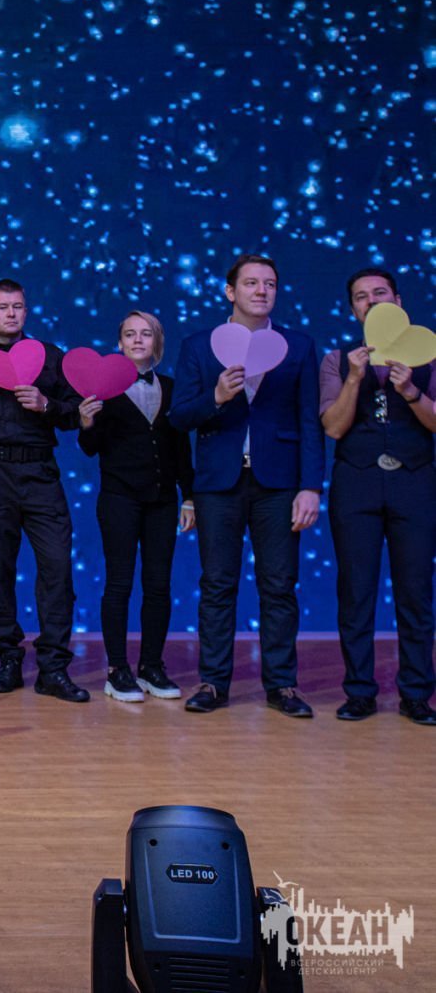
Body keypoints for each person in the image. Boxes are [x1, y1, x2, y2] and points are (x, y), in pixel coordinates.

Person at [170, 253, 322, 717]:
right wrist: (216, 396)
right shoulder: (199, 346)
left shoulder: (298, 346)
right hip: (219, 482)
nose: (262, 291)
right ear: (230, 291)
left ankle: (283, 685)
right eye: (252, 283)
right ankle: (213, 682)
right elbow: (179, 417)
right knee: (218, 583)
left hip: (279, 483)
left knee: (279, 585)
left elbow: (309, 421)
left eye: (270, 283)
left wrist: (311, 486)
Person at [0, 279, 88, 702]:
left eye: (17, 306)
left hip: (39, 472)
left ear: (26, 311)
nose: (11, 314)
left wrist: (46, 405)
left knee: (57, 568)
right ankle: (8, 659)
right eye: (3, 307)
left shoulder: (50, 357)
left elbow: (77, 413)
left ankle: (53, 667)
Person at [319, 268, 436, 725]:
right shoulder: (337, 360)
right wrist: (354, 378)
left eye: (379, 293)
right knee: (356, 591)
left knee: (416, 592)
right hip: (356, 484)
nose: (371, 301)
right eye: (361, 296)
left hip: (415, 483)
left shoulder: (428, 356)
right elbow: (333, 428)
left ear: (398, 302)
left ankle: (416, 694)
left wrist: (410, 391)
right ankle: (360, 692)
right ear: (353, 309)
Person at [76, 311, 195, 704]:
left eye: (146, 334)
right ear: (120, 342)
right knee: (120, 583)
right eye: (130, 334)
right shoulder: (103, 391)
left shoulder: (172, 388)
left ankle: (151, 666)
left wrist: (189, 496)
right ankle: (117, 670)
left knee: (159, 585)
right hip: (119, 499)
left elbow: (180, 449)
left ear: (156, 342)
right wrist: (86, 423)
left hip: (163, 500)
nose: (138, 340)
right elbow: (89, 448)